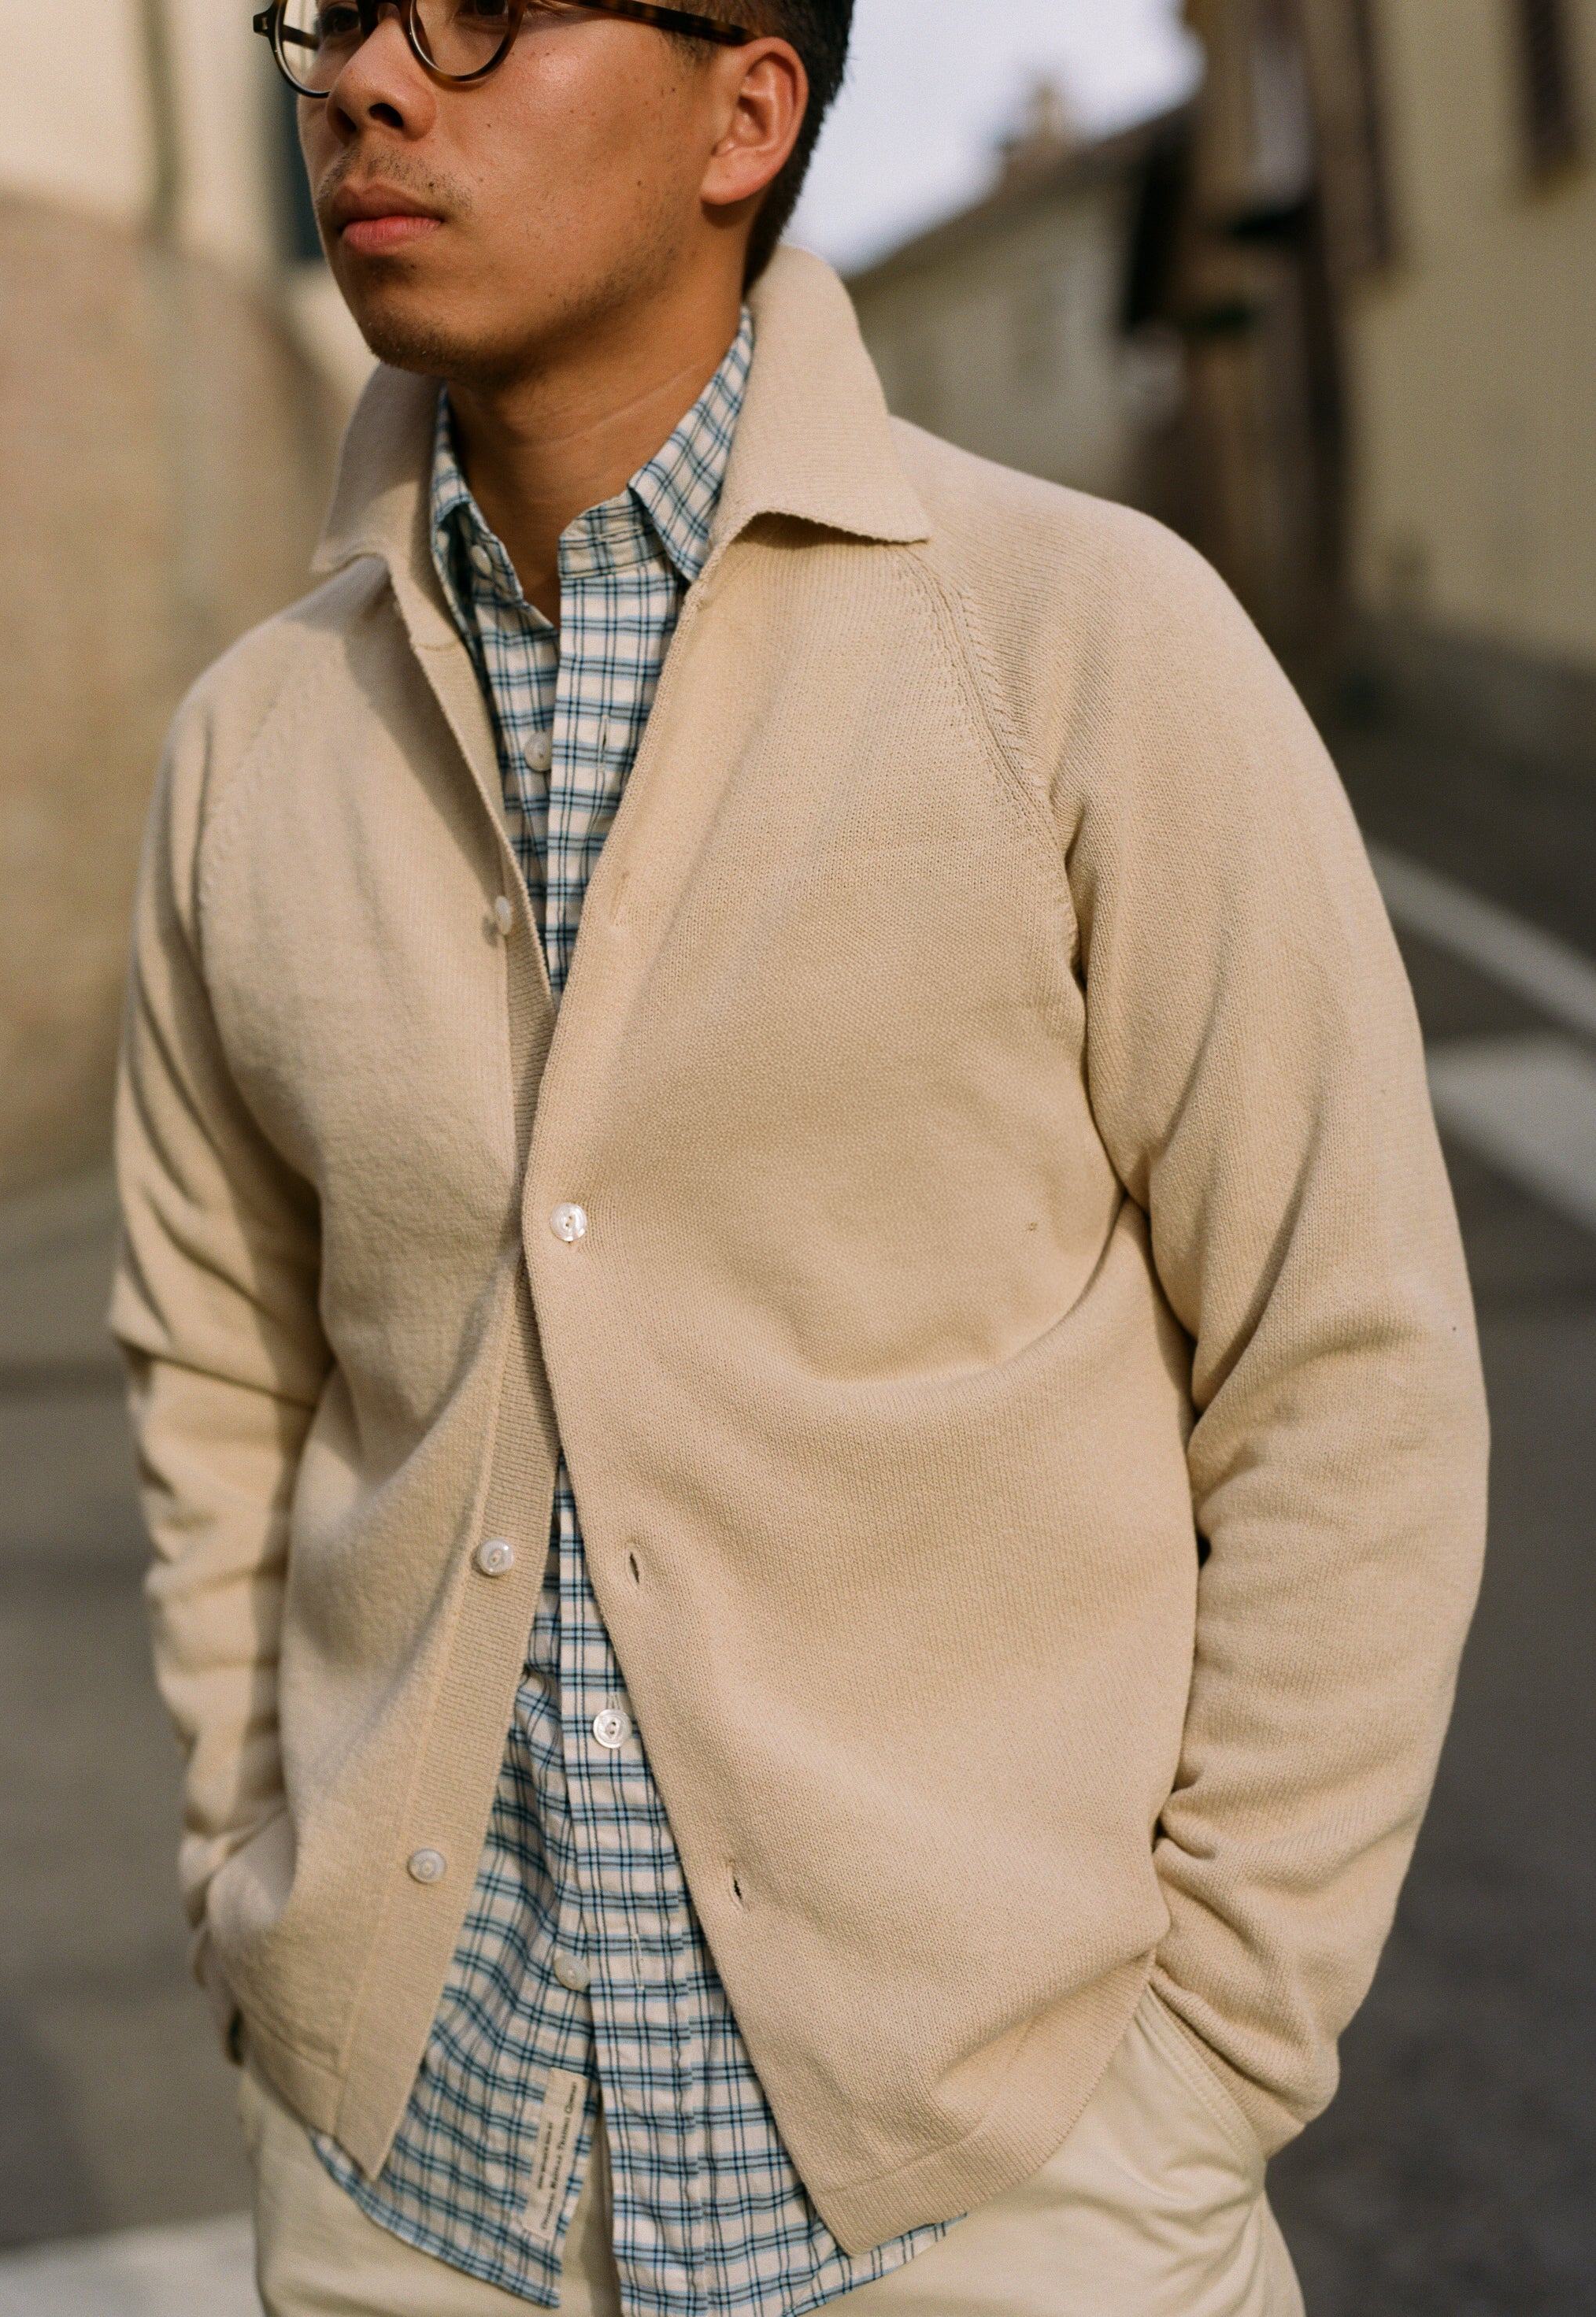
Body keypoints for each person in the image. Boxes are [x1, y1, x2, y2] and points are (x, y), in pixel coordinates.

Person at [109, 4, 1487, 2312]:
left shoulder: (1082, 647)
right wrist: (255, 1912)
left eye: (481, 16)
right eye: (332, 16)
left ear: (746, 111)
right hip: (412, 2194)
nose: (367, 82)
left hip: (1008, 2197)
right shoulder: (250, 751)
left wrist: (1203, 2075)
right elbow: (221, 1373)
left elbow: (1348, 1372)